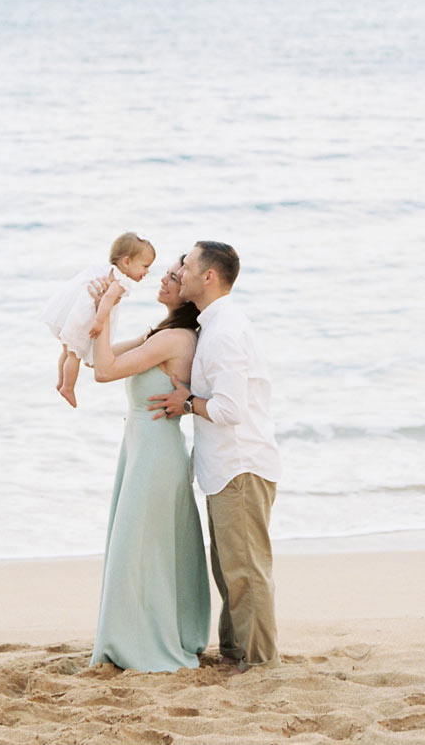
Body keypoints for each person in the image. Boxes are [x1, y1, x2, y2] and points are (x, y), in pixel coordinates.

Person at [148, 240, 281, 669]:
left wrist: (187, 403)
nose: (179, 271)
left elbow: (229, 409)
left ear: (208, 276)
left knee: (245, 573)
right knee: (229, 570)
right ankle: (235, 651)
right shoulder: (214, 324)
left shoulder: (225, 331)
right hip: (227, 467)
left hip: (241, 466)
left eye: (185, 264)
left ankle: (262, 664)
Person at [85, 256, 210, 671]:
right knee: (141, 548)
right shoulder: (160, 332)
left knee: (139, 550)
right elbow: (93, 357)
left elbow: (105, 372)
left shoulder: (176, 340)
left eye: (175, 277)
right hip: (142, 448)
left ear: (188, 293)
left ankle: (140, 640)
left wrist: (105, 313)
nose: (165, 279)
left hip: (155, 453)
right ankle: (141, 631)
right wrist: (103, 307)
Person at [40, 232, 156, 407]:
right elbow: (107, 299)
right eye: (145, 266)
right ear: (126, 262)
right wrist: (99, 322)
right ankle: (68, 387)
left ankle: (61, 382)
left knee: (67, 350)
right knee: (75, 355)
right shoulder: (121, 281)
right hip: (86, 318)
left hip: (74, 313)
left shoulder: (104, 269)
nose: (146, 272)